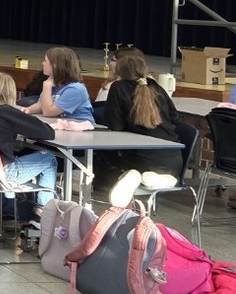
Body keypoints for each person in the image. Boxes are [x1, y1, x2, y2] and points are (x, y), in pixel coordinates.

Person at [0, 72, 58, 223]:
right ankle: (42, 211)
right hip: (3, 174)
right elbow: (47, 133)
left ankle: (8, 213)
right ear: (11, 92)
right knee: (49, 159)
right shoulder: (7, 112)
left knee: (10, 155)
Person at [94, 50, 183, 191]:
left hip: (142, 159)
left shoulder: (118, 87)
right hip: (173, 161)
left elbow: (115, 126)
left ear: (120, 70)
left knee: (100, 154)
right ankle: (154, 178)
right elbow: (174, 116)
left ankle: (126, 178)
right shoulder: (155, 86)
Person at [22, 47, 94, 122]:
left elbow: (48, 112)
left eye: (45, 61)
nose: (42, 63)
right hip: (61, 124)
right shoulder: (53, 82)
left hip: (81, 126)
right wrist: (28, 110)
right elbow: (41, 105)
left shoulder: (75, 89)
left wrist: (47, 86)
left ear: (55, 66)